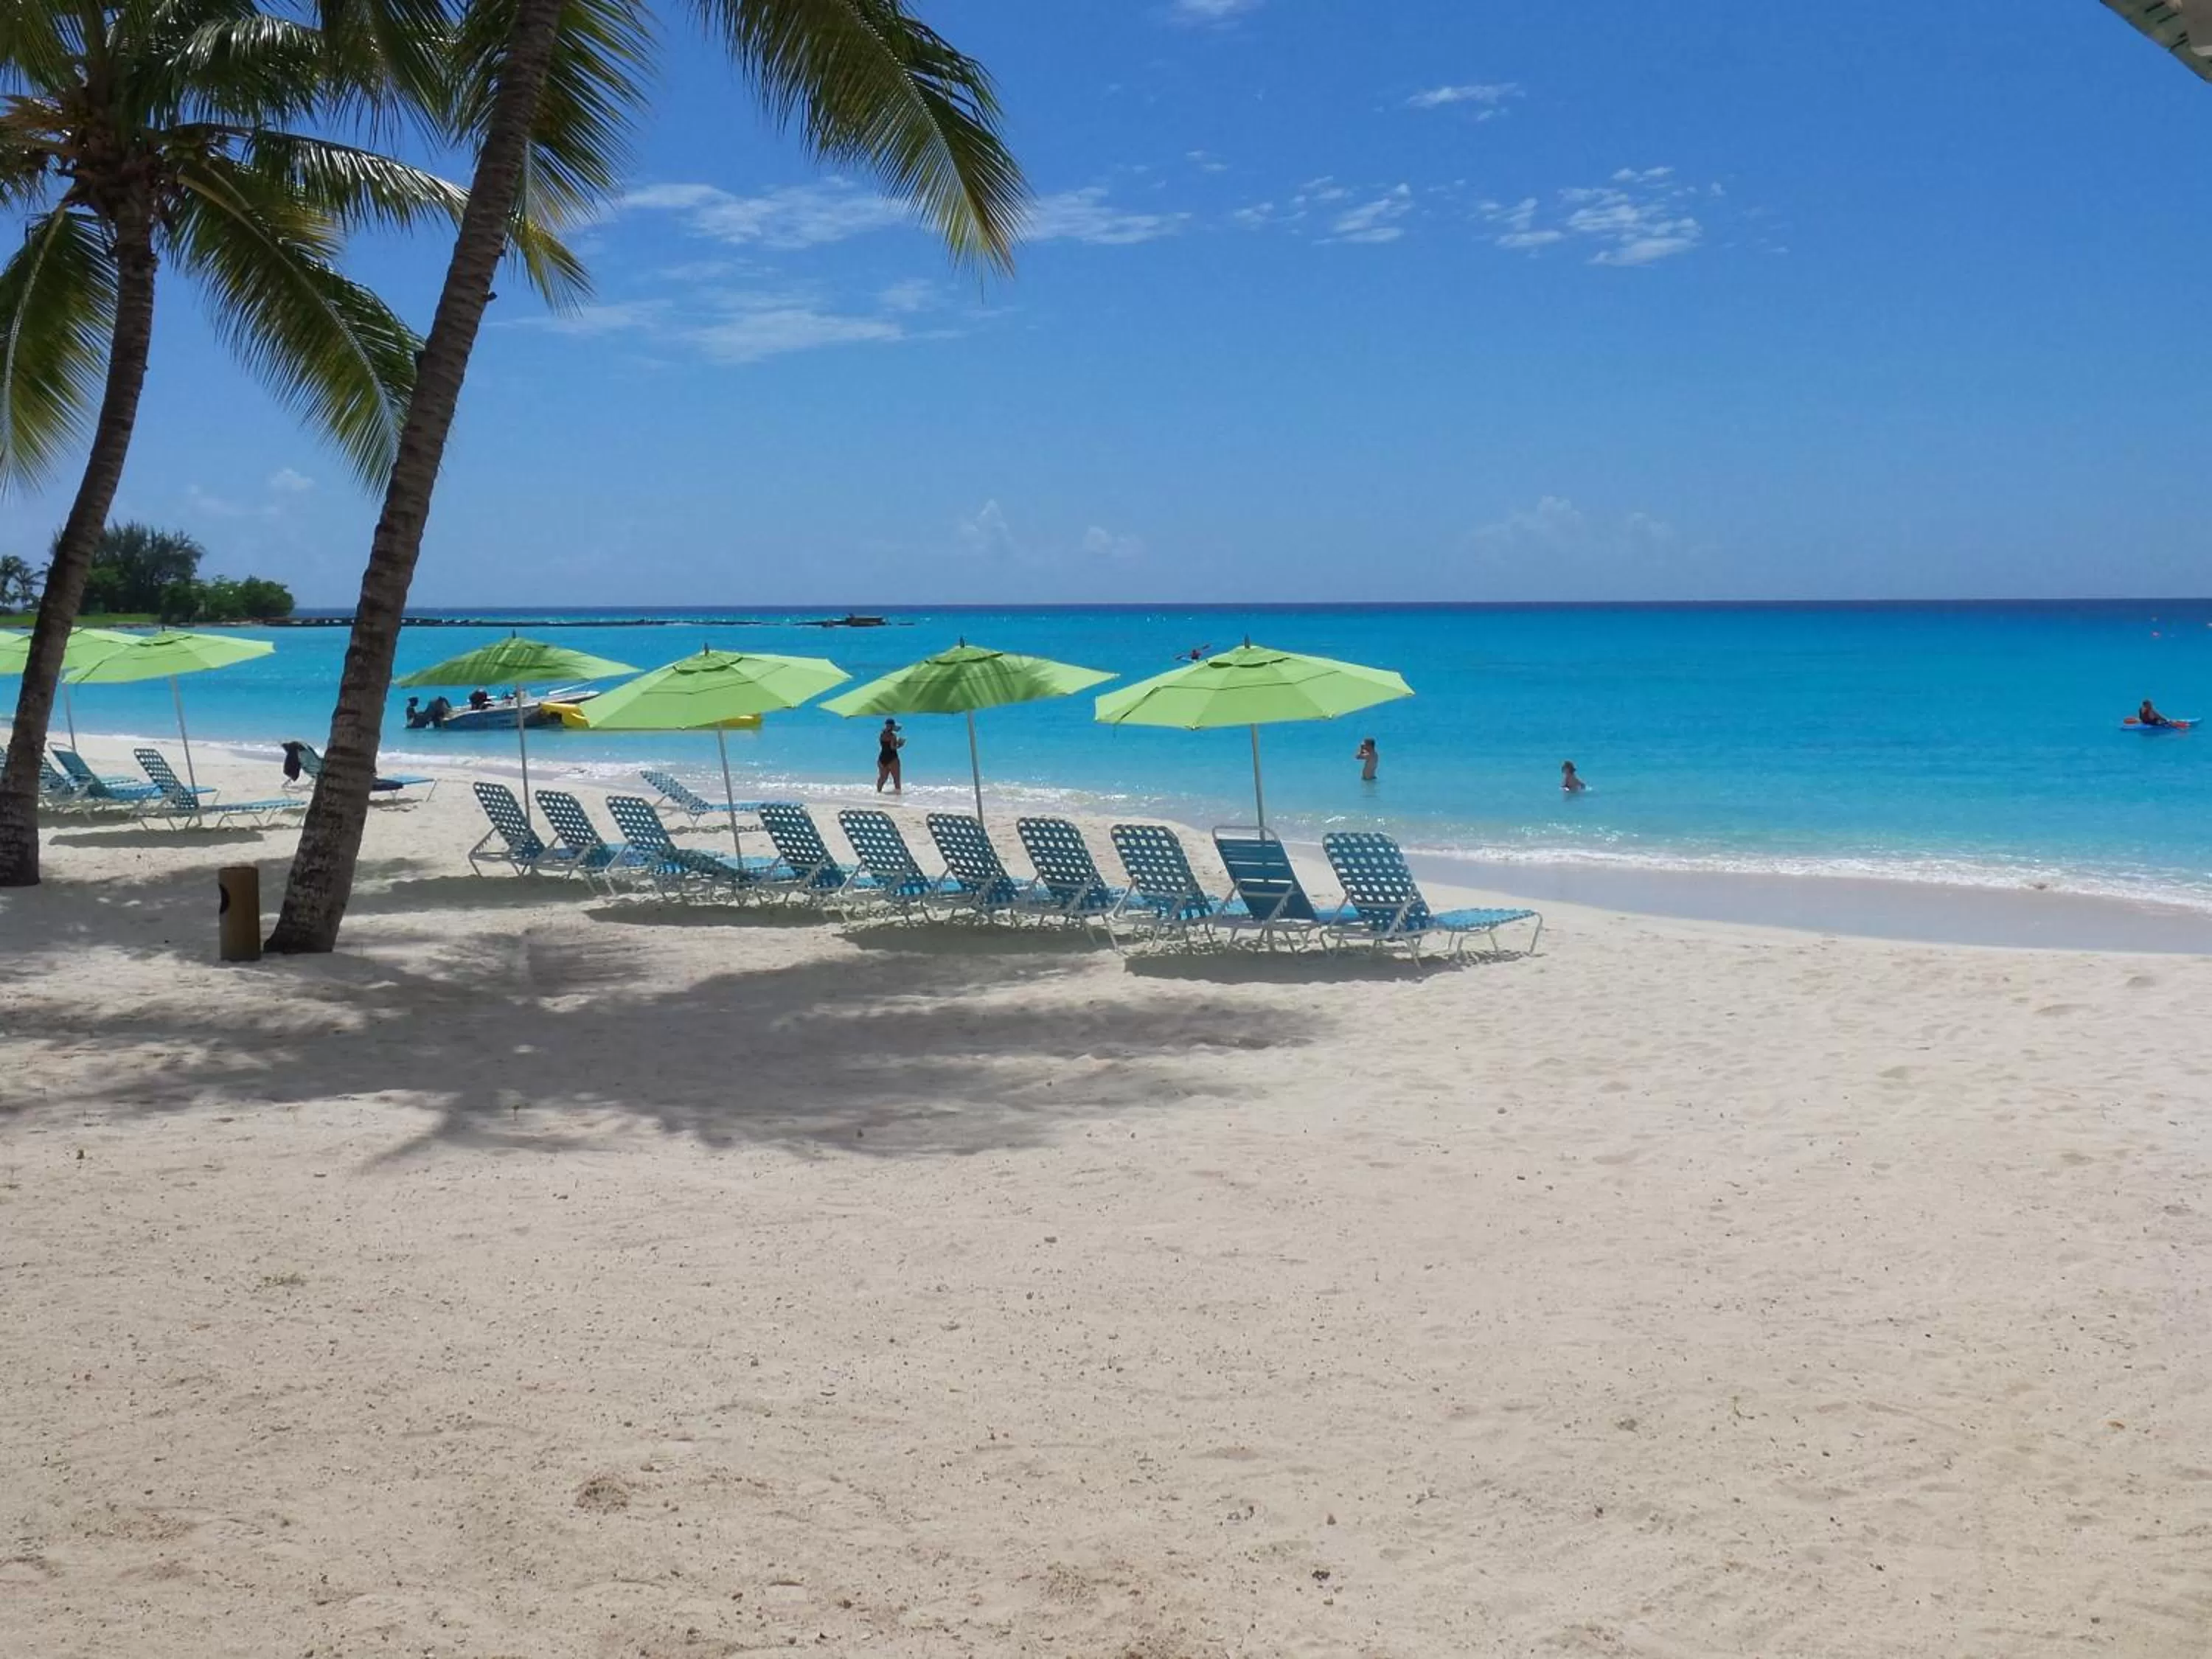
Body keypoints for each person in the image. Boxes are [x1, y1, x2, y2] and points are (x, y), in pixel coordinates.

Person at [875, 718, 905, 794]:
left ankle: (878, 793)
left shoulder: (882, 734)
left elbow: (885, 746)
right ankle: (898, 797)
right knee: (896, 780)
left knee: (882, 778)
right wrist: (900, 745)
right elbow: (892, 747)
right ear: (892, 726)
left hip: (882, 759)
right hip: (892, 759)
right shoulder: (893, 736)